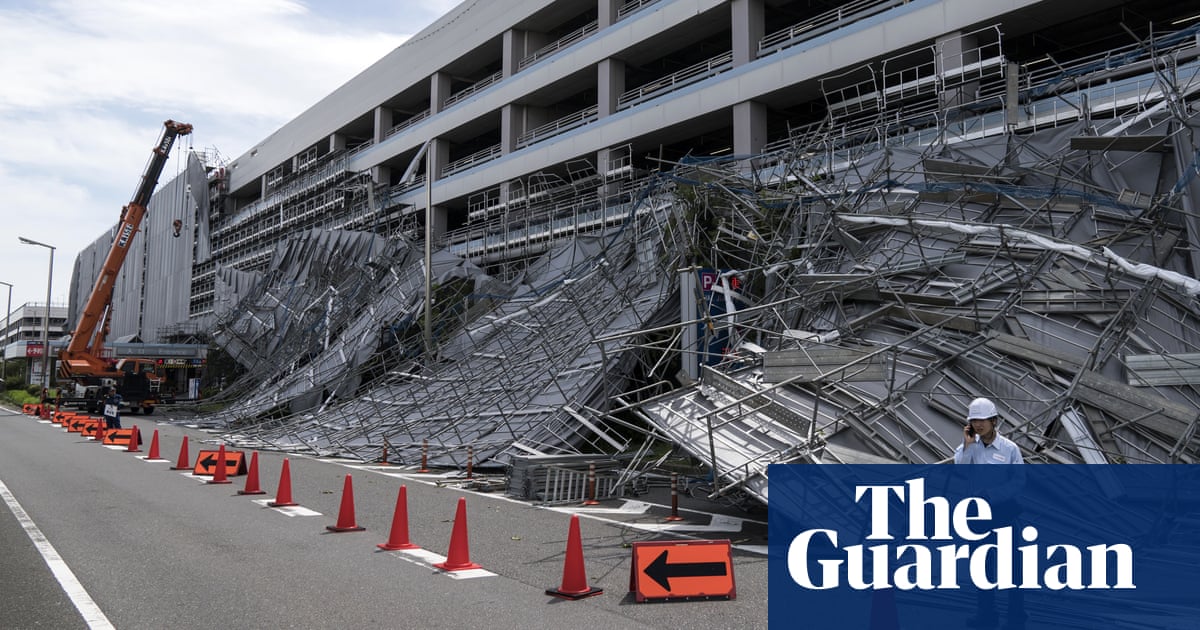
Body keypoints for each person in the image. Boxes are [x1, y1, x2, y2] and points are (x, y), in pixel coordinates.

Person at [954, 397, 1025, 630]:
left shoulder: (1009, 449)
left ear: (994, 420)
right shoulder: (967, 448)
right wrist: (967, 444)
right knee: (983, 568)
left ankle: (1016, 616)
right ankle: (987, 615)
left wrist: (993, 495)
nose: (978, 425)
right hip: (978, 517)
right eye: (974, 421)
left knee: (1012, 567)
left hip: (1004, 514)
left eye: (982, 420)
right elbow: (961, 472)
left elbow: (1019, 481)